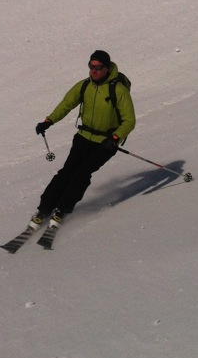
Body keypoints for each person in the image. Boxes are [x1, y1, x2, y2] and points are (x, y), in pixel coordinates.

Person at [30, 50, 136, 231]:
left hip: (105, 143)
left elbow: (129, 120)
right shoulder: (84, 86)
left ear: (107, 68)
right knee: (67, 171)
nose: (93, 71)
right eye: (91, 66)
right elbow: (66, 104)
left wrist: (116, 138)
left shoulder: (118, 89)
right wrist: (48, 121)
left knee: (82, 173)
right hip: (83, 137)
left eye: (98, 67)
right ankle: (44, 209)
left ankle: (62, 209)